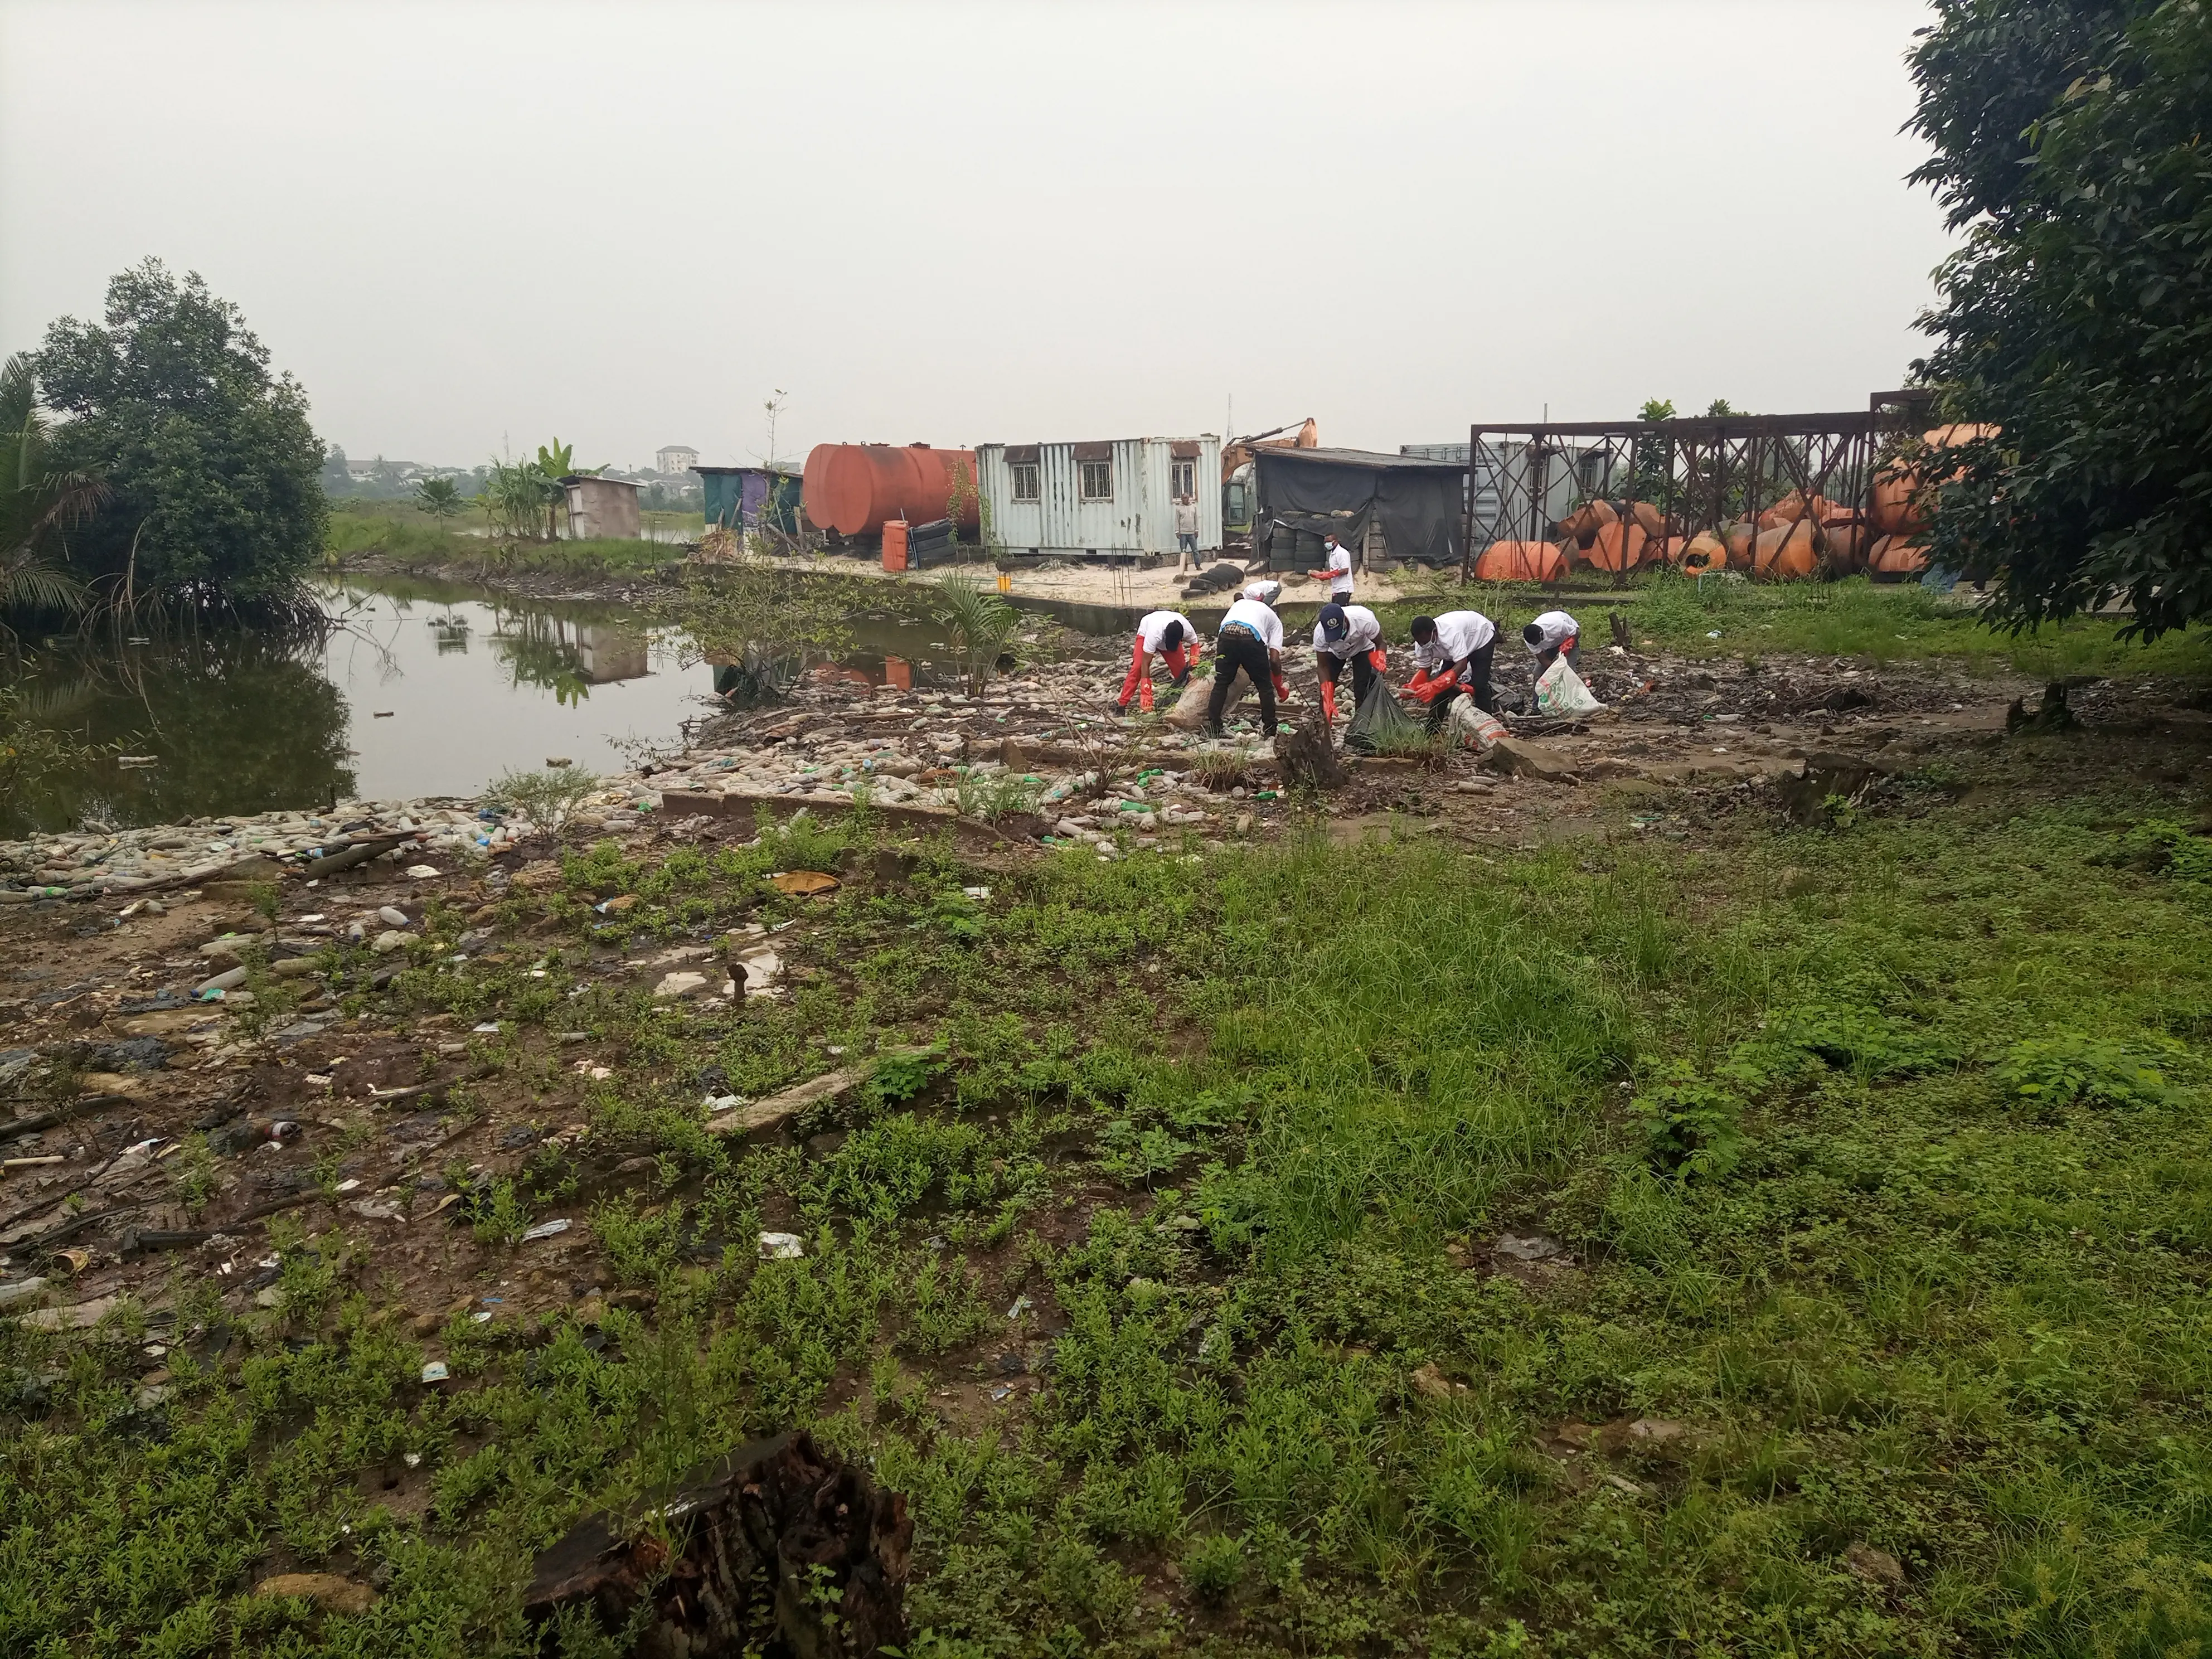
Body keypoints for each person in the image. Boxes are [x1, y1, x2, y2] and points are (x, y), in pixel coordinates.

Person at [1206, 590, 1284, 738]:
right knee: (1264, 686)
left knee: (1222, 683)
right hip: (1251, 637)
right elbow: (1274, 660)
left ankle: (1213, 727)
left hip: (1226, 635)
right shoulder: (1276, 623)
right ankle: (1270, 729)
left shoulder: (1239, 604)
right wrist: (1279, 686)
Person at [1405, 610, 1498, 731]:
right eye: (1420, 642)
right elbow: (1425, 668)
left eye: (1425, 641)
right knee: (1442, 688)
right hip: (1454, 651)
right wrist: (1413, 686)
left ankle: (1487, 727)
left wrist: (1436, 685)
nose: (1423, 645)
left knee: (1480, 684)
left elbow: (1462, 664)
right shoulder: (1421, 645)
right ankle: (1432, 729)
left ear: (1434, 632)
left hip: (1481, 637)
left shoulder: (1451, 634)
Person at [1312, 601, 1386, 726]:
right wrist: (1327, 695)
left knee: (1362, 688)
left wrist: (1380, 659)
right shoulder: (1320, 634)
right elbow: (1322, 666)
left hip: (1362, 647)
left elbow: (1381, 643)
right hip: (1335, 652)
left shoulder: (1364, 619)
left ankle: (1361, 725)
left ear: (1345, 620)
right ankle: (1324, 727)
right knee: (1326, 695)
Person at [1115, 609, 1200, 714]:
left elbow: (1195, 644)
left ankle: (1187, 701)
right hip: (1146, 633)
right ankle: (1122, 704)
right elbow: (1145, 664)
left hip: (1170, 636)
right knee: (1138, 668)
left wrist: (1194, 665)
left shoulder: (1187, 630)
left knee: (1182, 674)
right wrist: (1146, 693)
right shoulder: (1154, 634)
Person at [1522, 609, 1581, 676]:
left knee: (1570, 671)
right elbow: (1543, 659)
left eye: (1537, 642)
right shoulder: (1529, 641)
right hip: (1552, 645)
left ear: (1541, 634)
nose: (1536, 645)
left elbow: (1577, 633)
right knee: (1538, 673)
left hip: (1568, 637)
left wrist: (1568, 643)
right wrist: (1555, 671)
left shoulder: (1557, 626)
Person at [1309, 534, 1355, 604]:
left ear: (1336, 542)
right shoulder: (1332, 553)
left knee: (1340, 609)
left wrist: (1328, 575)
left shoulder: (1342, 553)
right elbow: (1335, 570)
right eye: (1325, 542)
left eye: (1329, 542)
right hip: (1336, 589)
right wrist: (1322, 575)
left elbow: (1345, 570)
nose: (1326, 544)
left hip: (1344, 588)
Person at [1173, 495, 1199, 566]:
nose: (1186, 499)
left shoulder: (1194, 507)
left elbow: (1196, 519)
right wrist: (1177, 532)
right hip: (1183, 533)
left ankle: (1198, 565)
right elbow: (1177, 520)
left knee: (1195, 550)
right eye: (1184, 498)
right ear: (1182, 499)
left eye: (1187, 498)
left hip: (1192, 533)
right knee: (1183, 551)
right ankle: (1184, 566)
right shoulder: (1179, 508)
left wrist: (1197, 530)